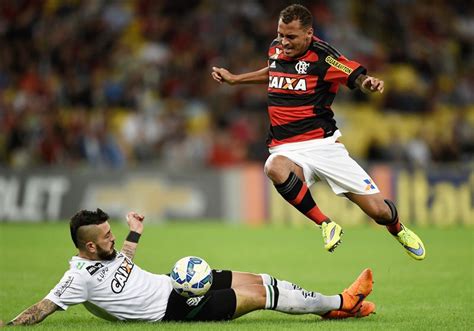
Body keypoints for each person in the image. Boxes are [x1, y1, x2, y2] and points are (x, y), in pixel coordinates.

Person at [211, 4, 425, 260]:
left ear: (309, 33)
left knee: (379, 211)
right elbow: (275, 71)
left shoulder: (324, 56)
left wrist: (367, 83)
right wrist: (236, 79)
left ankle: (398, 229)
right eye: (280, 34)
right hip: (286, 148)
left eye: (291, 36)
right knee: (273, 167)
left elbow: (354, 75)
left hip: (323, 146)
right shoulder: (275, 48)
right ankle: (326, 223)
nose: (283, 41)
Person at [0, 209, 375, 326]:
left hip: (176, 283)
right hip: (173, 308)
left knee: (264, 278)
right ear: (89, 246)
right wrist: (10, 325)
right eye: (107, 236)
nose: (114, 240)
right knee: (261, 297)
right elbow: (41, 308)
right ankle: (342, 300)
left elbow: (123, 264)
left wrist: (134, 233)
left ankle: (335, 307)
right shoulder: (76, 279)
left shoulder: (108, 254)